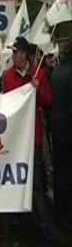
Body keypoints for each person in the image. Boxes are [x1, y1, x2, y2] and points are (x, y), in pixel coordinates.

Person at [2, 37, 52, 241]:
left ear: (24, 54)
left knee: (36, 183)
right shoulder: (8, 76)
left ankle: (41, 223)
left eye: (16, 52)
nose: (13, 56)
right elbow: (4, 102)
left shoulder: (38, 74)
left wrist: (38, 88)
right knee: (12, 180)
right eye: (13, 52)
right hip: (14, 138)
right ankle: (12, 221)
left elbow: (48, 100)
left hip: (32, 138)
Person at [50, 39, 72, 230]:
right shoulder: (70, 73)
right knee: (67, 175)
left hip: (56, 129)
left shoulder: (57, 72)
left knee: (59, 173)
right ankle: (65, 215)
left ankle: (58, 211)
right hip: (67, 131)